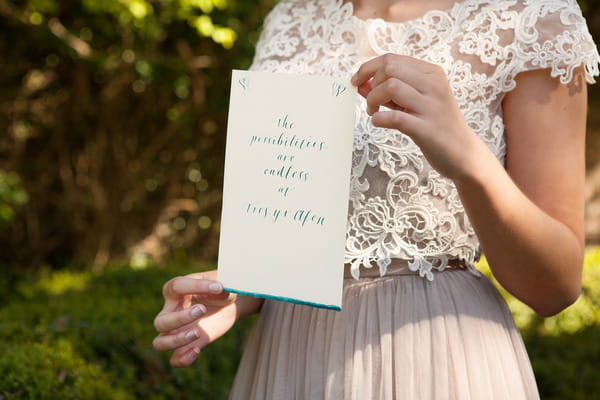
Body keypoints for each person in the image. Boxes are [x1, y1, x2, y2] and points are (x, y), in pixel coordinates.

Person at [152, 0, 600, 398]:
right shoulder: (290, 17)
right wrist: (236, 293)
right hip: (291, 358)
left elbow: (556, 287)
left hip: (434, 357)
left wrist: (467, 156)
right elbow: (288, 228)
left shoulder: (533, 18)